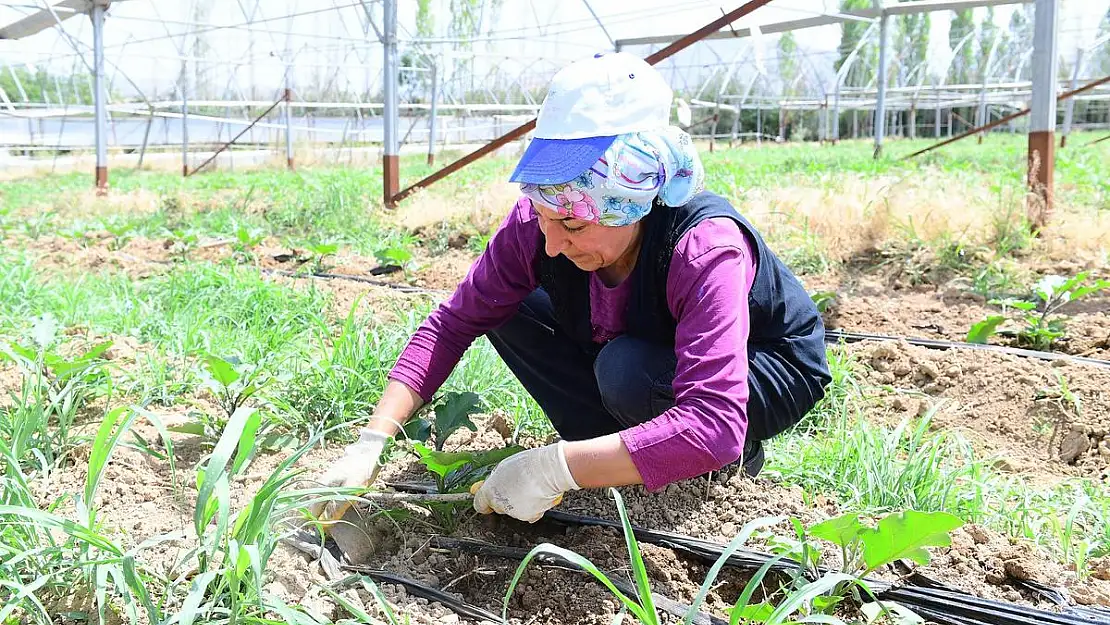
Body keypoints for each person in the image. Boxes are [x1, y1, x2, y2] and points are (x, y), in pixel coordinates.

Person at [313, 52, 831, 525]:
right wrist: (371, 440)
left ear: (632, 202)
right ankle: (614, 451)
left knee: (627, 371)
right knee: (506, 309)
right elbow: (453, 322)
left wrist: (552, 469)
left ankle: (711, 465)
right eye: (544, 218)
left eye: (575, 226)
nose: (554, 244)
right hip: (642, 345)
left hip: (762, 365)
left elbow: (711, 422)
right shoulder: (540, 226)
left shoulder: (704, 247)